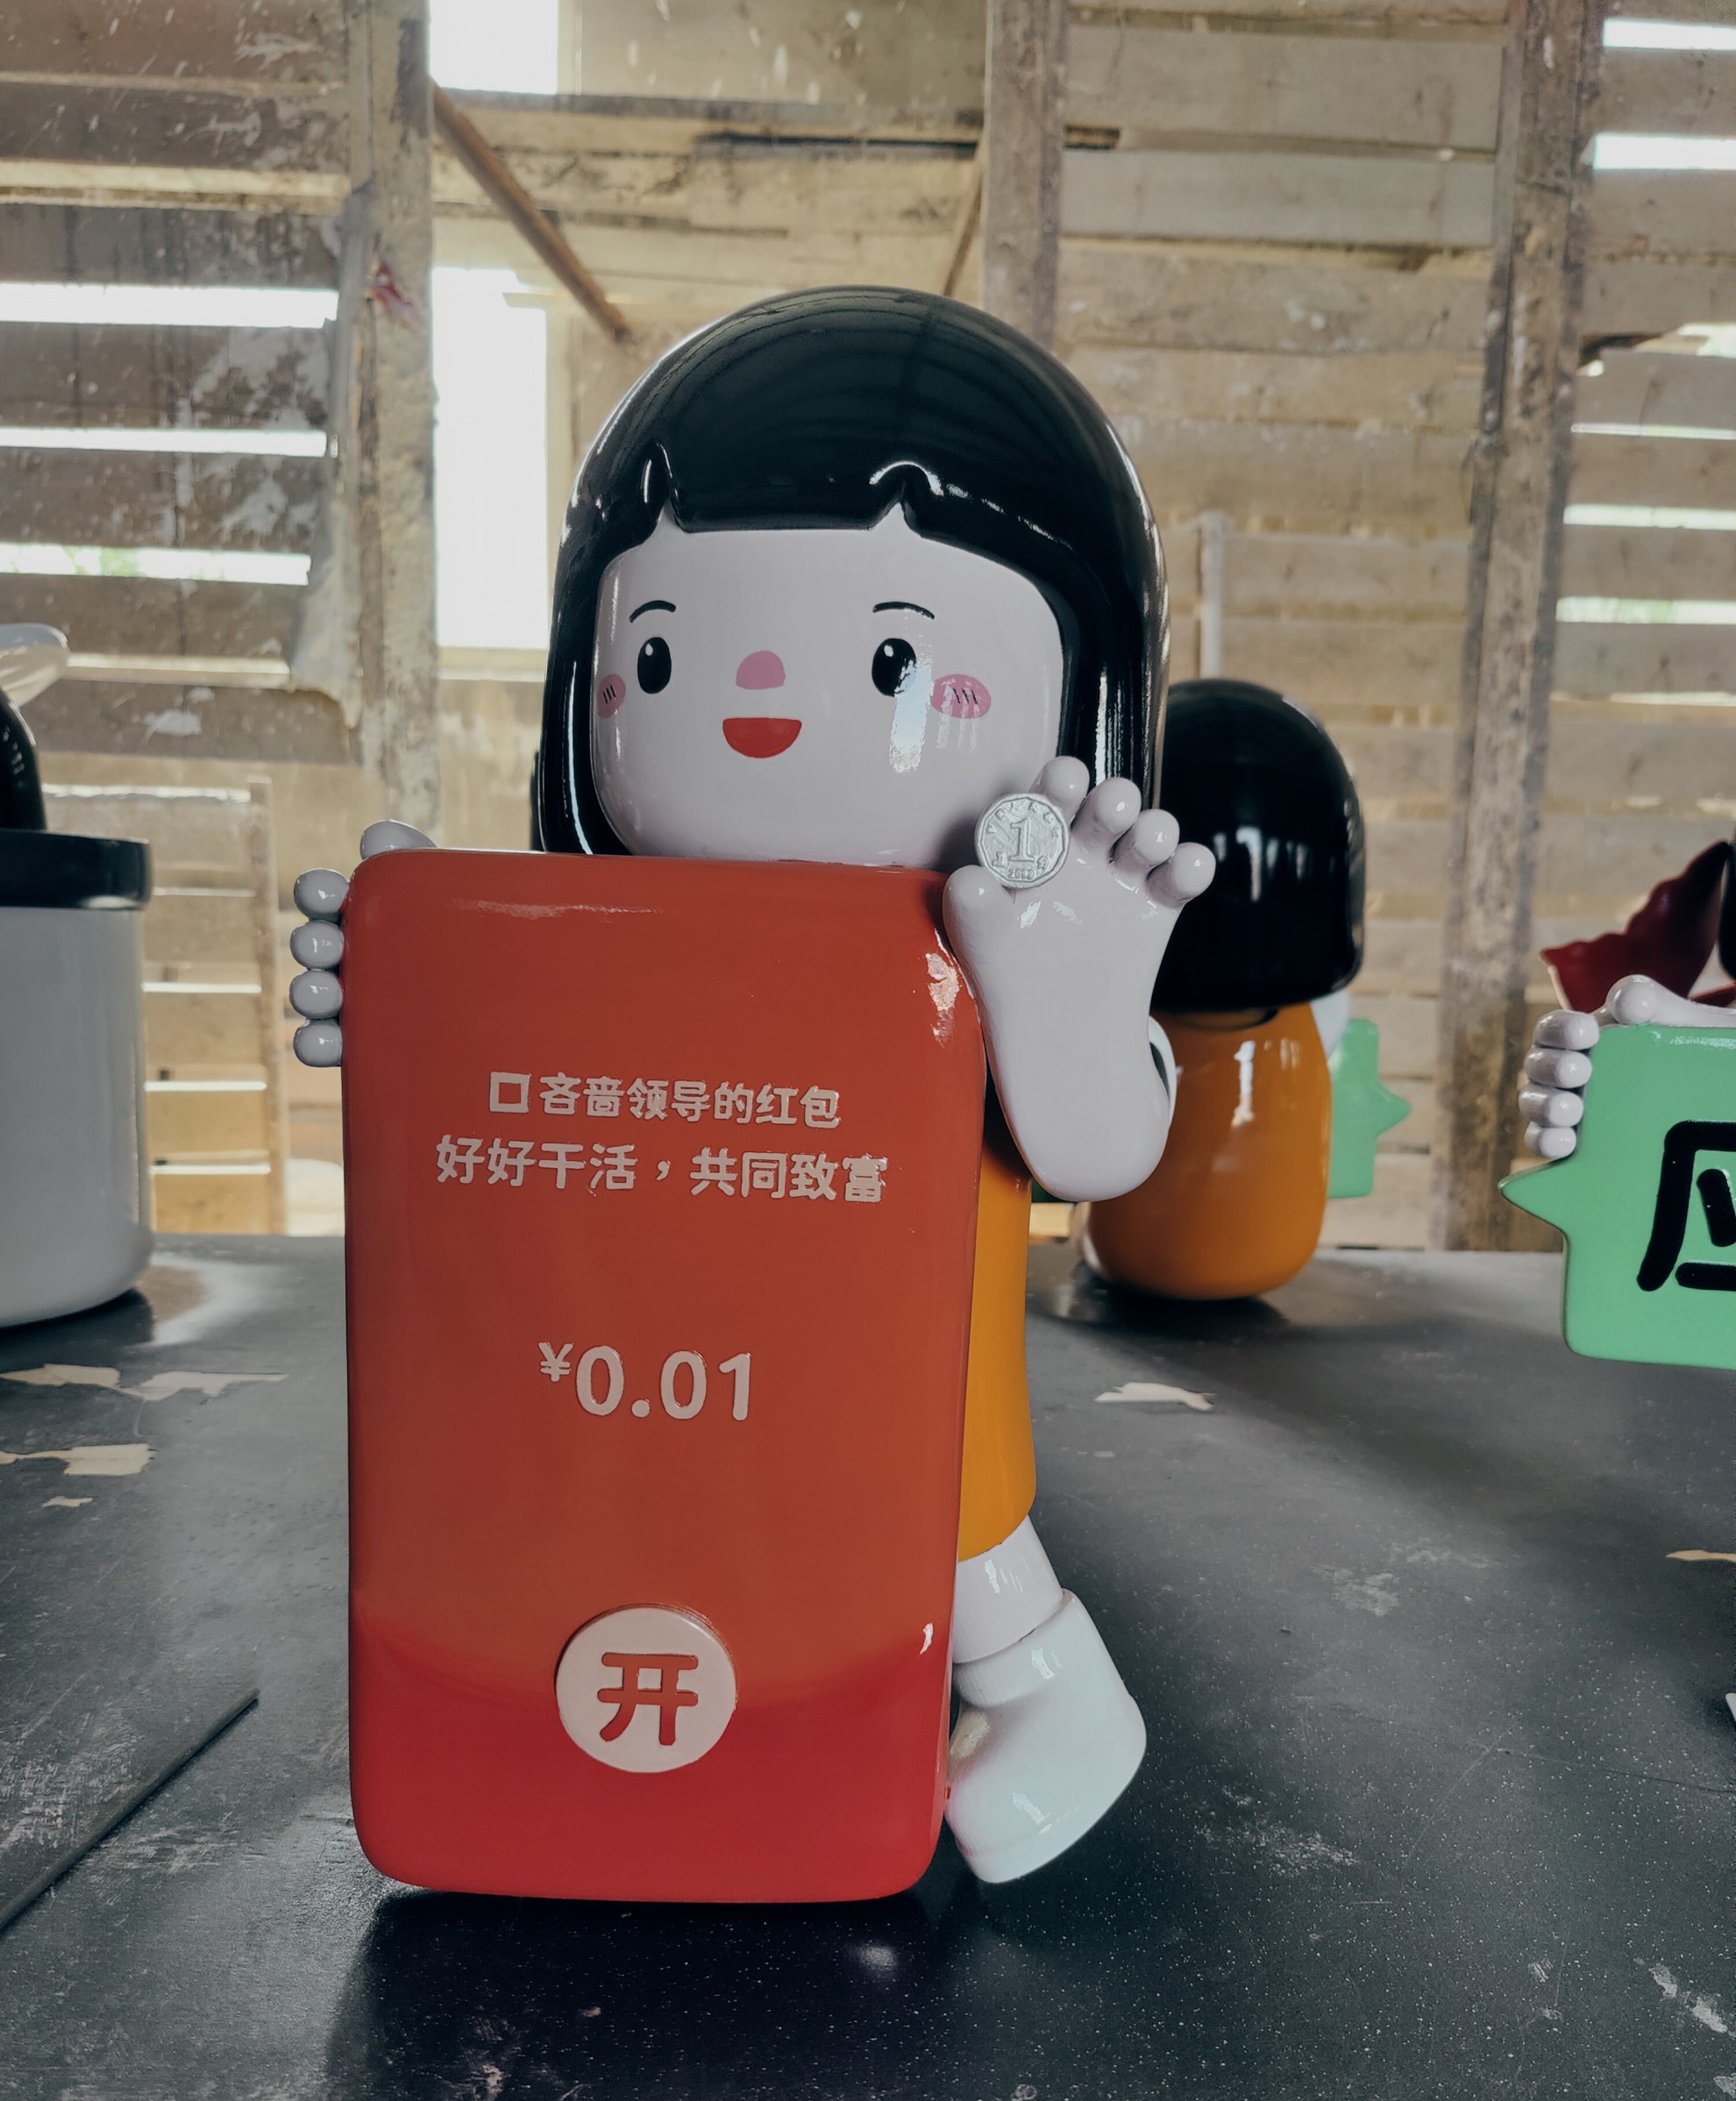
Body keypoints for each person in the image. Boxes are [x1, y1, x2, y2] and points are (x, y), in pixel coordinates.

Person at [289, 287, 1216, 1884]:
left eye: (895, 658)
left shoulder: (1002, 940)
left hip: (897, 1386)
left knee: (932, 1490)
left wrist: (1063, 993)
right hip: (620, 1369)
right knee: (602, 1506)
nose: (763, 698)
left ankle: (1041, 1677)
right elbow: (481, 1139)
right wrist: (419, 998)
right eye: (656, 651)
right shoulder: (588, 938)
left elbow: (1095, 1145)